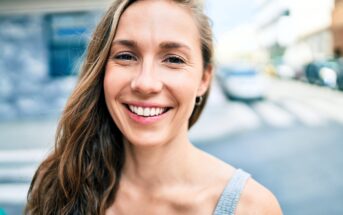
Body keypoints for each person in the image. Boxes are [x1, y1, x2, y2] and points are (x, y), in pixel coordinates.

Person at [25, 0, 282, 214]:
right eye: (126, 56)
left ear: (204, 79)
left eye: (173, 59)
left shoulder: (251, 207)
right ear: (102, 70)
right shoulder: (59, 182)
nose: (145, 83)